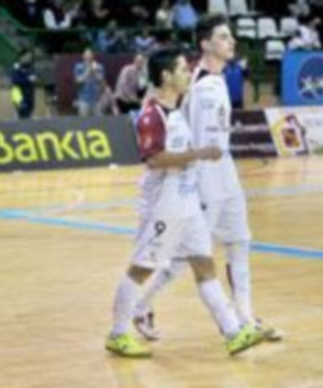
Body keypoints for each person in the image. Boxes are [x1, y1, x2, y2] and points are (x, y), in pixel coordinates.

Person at [132, 14, 283, 343]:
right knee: (186, 257)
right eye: (223, 37)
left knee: (240, 242)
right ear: (206, 44)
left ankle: (245, 318)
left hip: (225, 172)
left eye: (231, 36)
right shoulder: (198, 84)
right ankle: (141, 305)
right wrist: (196, 186)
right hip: (203, 178)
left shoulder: (220, 78)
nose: (231, 42)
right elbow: (196, 142)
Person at [105, 46, 264, 358]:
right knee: (141, 269)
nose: (187, 73)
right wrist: (200, 154)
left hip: (187, 203)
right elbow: (155, 160)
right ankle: (119, 332)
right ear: (166, 76)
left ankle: (233, 332)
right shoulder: (152, 115)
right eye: (181, 69)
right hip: (162, 207)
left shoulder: (177, 112)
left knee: (205, 264)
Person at [74, 48, 105, 117]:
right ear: (83, 56)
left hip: (96, 99)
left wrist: (95, 73)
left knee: (99, 122)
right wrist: (87, 72)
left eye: (90, 55)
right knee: (84, 123)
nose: (88, 57)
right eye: (86, 55)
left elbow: (102, 82)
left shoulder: (99, 67)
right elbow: (78, 81)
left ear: (93, 56)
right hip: (83, 99)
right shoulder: (79, 67)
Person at [10, 49, 37, 120]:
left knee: (28, 115)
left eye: (30, 57)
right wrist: (27, 79)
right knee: (22, 114)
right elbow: (15, 80)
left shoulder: (31, 68)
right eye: (27, 56)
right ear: (21, 57)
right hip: (20, 96)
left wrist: (27, 76)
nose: (29, 58)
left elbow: (34, 78)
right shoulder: (15, 67)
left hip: (29, 96)